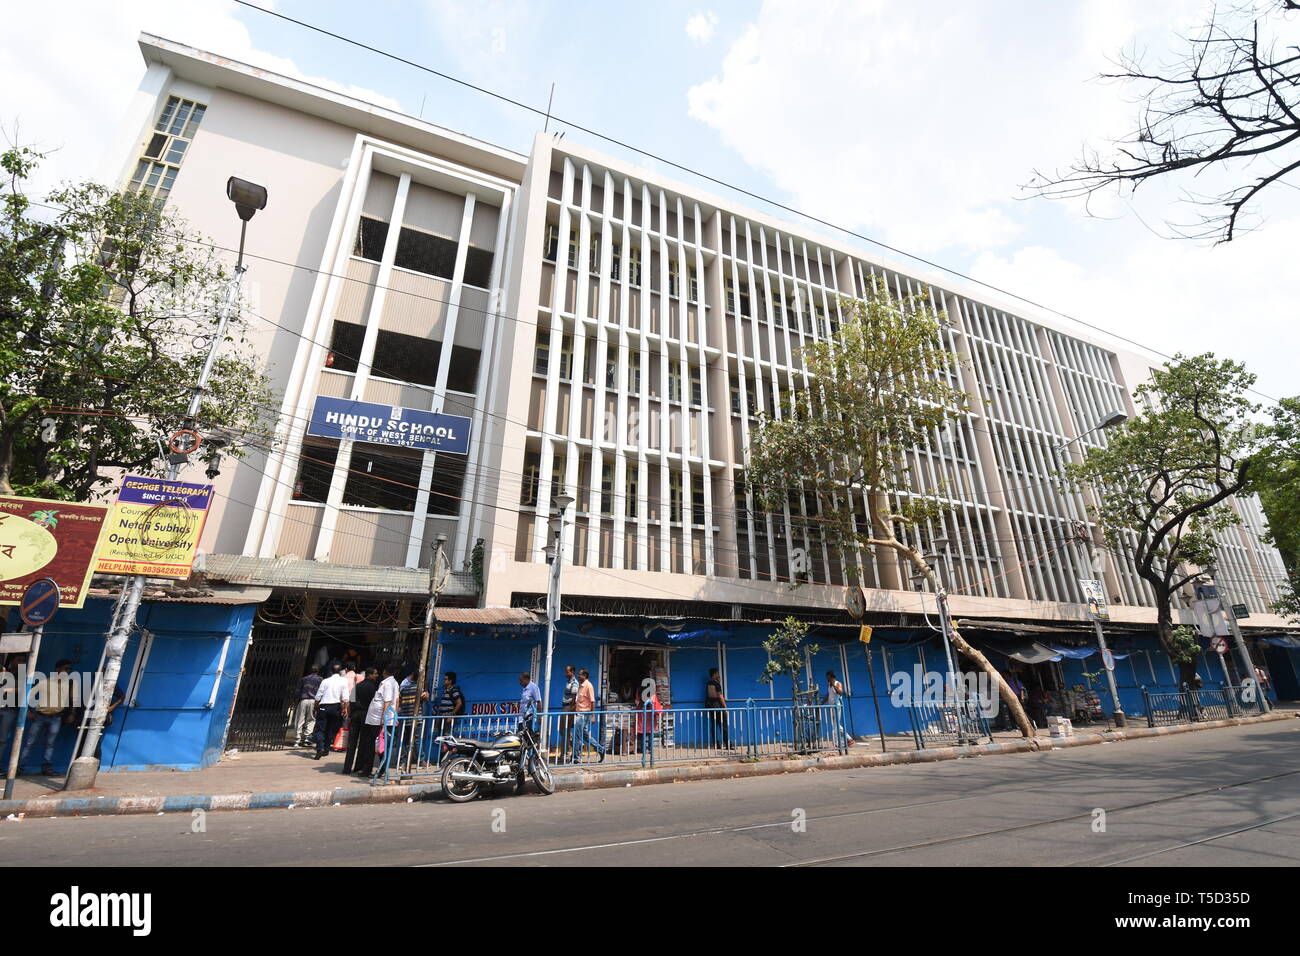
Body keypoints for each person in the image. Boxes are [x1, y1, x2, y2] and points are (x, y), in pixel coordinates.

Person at [21, 659, 77, 775]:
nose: (68, 671)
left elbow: (73, 701)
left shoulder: (71, 684)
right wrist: (28, 712)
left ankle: (46, 769)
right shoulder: (45, 682)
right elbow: (27, 696)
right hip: (40, 717)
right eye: (66, 668)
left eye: (69, 669)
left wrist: (72, 714)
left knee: (50, 744)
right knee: (29, 743)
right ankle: (19, 768)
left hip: (56, 718)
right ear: (58, 670)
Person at [358, 664, 399, 778]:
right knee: (380, 745)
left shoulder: (388, 683)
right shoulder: (393, 683)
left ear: (385, 672)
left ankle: (373, 770)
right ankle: (380, 770)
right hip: (378, 719)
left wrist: (383, 719)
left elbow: (387, 701)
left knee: (375, 745)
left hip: (378, 720)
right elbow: (396, 700)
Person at [343, 668, 379, 774]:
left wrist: (350, 715)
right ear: (370, 675)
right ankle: (358, 766)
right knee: (363, 742)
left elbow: (351, 701)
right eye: (375, 674)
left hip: (355, 715)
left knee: (352, 743)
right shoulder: (373, 688)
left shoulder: (357, 686)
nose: (377, 676)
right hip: (366, 716)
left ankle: (347, 768)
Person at [313, 662, 349, 760]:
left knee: (320, 729)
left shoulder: (325, 681)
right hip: (336, 707)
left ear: (331, 671)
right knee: (330, 728)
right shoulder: (343, 681)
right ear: (341, 671)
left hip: (324, 706)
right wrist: (345, 708)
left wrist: (315, 707)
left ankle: (319, 748)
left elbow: (318, 696)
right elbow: (346, 697)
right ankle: (326, 749)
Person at [571, 668, 605, 763]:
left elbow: (592, 702)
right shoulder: (581, 686)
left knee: (577, 735)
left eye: (580, 674)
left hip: (584, 714)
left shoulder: (588, 686)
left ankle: (575, 758)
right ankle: (601, 749)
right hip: (579, 713)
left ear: (585, 676)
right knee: (585, 736)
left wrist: (593, 716)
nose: (578, 676)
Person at [431, 671, 465, 765]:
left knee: (447, 738)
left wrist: (451, 715)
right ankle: (443, 760)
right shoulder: (445, 690)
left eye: (445, 679)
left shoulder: (453, 690)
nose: (444, 681)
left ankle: (446, 759)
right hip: (442, 718)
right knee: (443, 739)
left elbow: (459, 703)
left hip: (447, 719)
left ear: (450, 680)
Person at [92, 684, 127, 761]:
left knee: (94, 742)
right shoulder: (92, 681)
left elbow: (122, 696)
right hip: (87, 715)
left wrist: (111, 708)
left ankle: (95, 763)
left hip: (99, 717)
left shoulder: (110, 683)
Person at [294, 666, 322, 748]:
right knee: (311, 719)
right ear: (318, 671)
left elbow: (297, 691)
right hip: (314, 701)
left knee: (299, 719)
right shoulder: (320, 680)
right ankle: (307, 737)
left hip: (304, 700)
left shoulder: (303, 679)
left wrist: (295, 701)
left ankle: (297, 740)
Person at [559, 664, 579, 762]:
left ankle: (565, 754)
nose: (566, 673)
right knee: (563, 730)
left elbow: (574, 697)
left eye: (567, 671)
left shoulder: (574, 683)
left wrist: (571, 710)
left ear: (572, 672)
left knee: (565, 730)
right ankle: (566, 751)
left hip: (568, 708)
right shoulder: (569, 682)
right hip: (565, 707)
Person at [706, 667, 730, 749]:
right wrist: (725, 708)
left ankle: (716, 744)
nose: (719, 674)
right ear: (714, 674)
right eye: (717, 673)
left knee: (714, 725)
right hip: (718, 706)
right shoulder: (716, 684)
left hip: (711, 706)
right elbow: (720, 696)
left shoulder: (709, 683)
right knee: (723, 725)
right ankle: (727, 744)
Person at [823, 670, 847, 746]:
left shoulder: (838, 683)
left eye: (829, 678)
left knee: (835, 725)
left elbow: (840, 692)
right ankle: (849, 739)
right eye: (827, 678)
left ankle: (836, 743)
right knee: (835, 724)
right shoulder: (828, 685)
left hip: (837, 706)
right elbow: (828, 695)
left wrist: (833, 685)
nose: (827, 679)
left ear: (832, 677)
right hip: (831, 707)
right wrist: (822, 702)